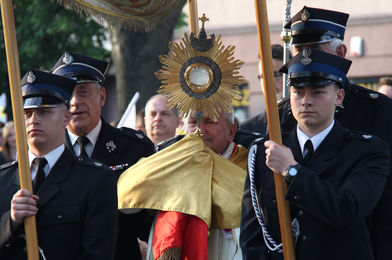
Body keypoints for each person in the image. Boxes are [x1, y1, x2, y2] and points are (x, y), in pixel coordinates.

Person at [248, 7, 392, 259]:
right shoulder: (277, 118)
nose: (306, 58)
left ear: (341, 53)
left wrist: (292, 171)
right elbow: (256, 232)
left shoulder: (378, 112)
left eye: (314, 49)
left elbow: (371, 206)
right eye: (298, 51)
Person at [0, 70, 118, 259]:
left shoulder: (94, 179)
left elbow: (98, 253)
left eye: (44, 112)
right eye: (27, 113)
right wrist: (10, 221)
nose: (34, 120)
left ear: (66, 118)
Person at [51, 51, 155, 260]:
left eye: (82, 92)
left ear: (102, 96)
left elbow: (152, 223)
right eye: (68, 94)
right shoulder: (46, 152)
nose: (74, 102)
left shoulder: (134, 148)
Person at [117, 111, 248, 260]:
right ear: (184, 128)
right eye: (193, 122)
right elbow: (127, 203)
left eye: (210, 121)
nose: (199, 130)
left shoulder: (250, 165)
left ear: (231, 131)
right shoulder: (168, 158)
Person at [240, 44, 291, 133]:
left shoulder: (303, 123)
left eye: (275, 75)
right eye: (264, 76)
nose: (270, 82)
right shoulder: (248, 128)